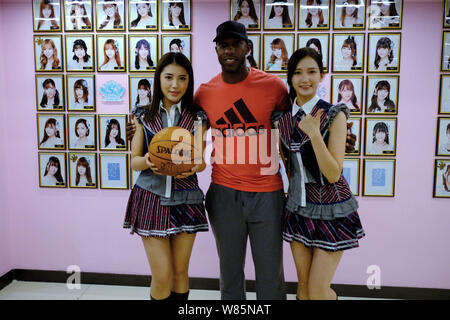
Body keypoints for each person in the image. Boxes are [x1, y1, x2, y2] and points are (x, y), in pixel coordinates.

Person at [125, 21, 356, 300]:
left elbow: (297, 122)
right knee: (230, 276)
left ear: (248, 47)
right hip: (224, 193)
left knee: (270, 278)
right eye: (223, 45)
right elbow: (181, 131)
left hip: (268, 193)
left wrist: (340, 134)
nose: (230, 50)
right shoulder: (204, 93)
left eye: (236, 44)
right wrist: (137, 130)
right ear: (217, 50)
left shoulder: (273, 87)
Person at [273, 47, 364, 300]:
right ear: (290, 78)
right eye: (298, 73)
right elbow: (290, 168)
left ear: (322, 75)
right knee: (303, 289)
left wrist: (314, 133)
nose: (305, 79)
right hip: (299, 208)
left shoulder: (335, 114)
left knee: (317, 290)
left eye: (312, 72)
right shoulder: (282, 119)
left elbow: (334, 173)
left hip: (330, 208)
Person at [124, 52, 208, 301]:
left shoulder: (197, 117)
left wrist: (193, 167)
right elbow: (134, 161)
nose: (175, 85)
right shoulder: (142, 114)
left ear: (188, 81)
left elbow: (201, 161)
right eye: (169, 77)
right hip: (151, 197)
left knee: (180, 273)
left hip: (186, 197)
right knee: (162, 276)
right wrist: (149, 160)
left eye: (182, 78)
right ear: (158, 79)